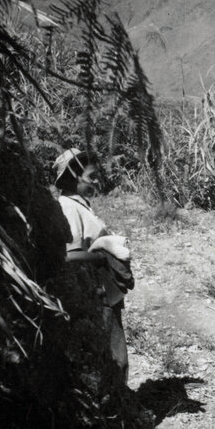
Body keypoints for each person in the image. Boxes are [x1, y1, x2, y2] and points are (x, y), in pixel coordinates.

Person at [54, 148, 132, 384]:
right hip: (96, 293)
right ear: (73, 177)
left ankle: (122, 408)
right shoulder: (68, 207)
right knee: (114, 358)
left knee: (116, 354)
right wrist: (101, 258)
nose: (97, 183)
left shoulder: (80, 204)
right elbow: (70, 254)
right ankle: (119, 412)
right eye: (91, 177)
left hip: (104, 290)